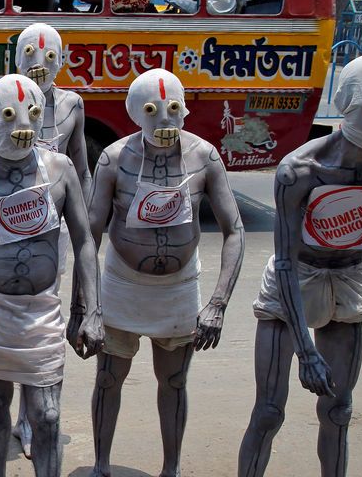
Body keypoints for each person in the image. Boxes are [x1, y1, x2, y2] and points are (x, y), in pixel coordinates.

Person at [238, 53, 362, 477]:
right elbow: (287, 262)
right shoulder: (301, 169)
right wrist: (306, 352)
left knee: (339, 410)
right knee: (270, 411)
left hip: (348, 278)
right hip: (294, 282)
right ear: (350, 97)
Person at [0, 23, 91, 467]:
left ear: (61, 59)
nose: (39, 64)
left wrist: (84, 219)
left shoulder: (70, 107)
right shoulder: (1, 100)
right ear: (17, 57)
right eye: (30, 54)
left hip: (47, 230)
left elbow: (80, 170)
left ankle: (28, 424)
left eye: (48, 56)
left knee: (41, 394)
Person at [87, 69, 245, 477]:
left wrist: (218, 303)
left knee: (174, 382)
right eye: (154, 112)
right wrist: (85, 305)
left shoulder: (205, 156)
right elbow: (90, 235)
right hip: (122, 284)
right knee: (108, 378)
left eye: (173, 110)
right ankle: (101, 466)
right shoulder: (114, 158)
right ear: (137, 113)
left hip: (179, 289)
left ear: (184, 110)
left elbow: (235, 230)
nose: (165, 122)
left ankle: (171, 470)